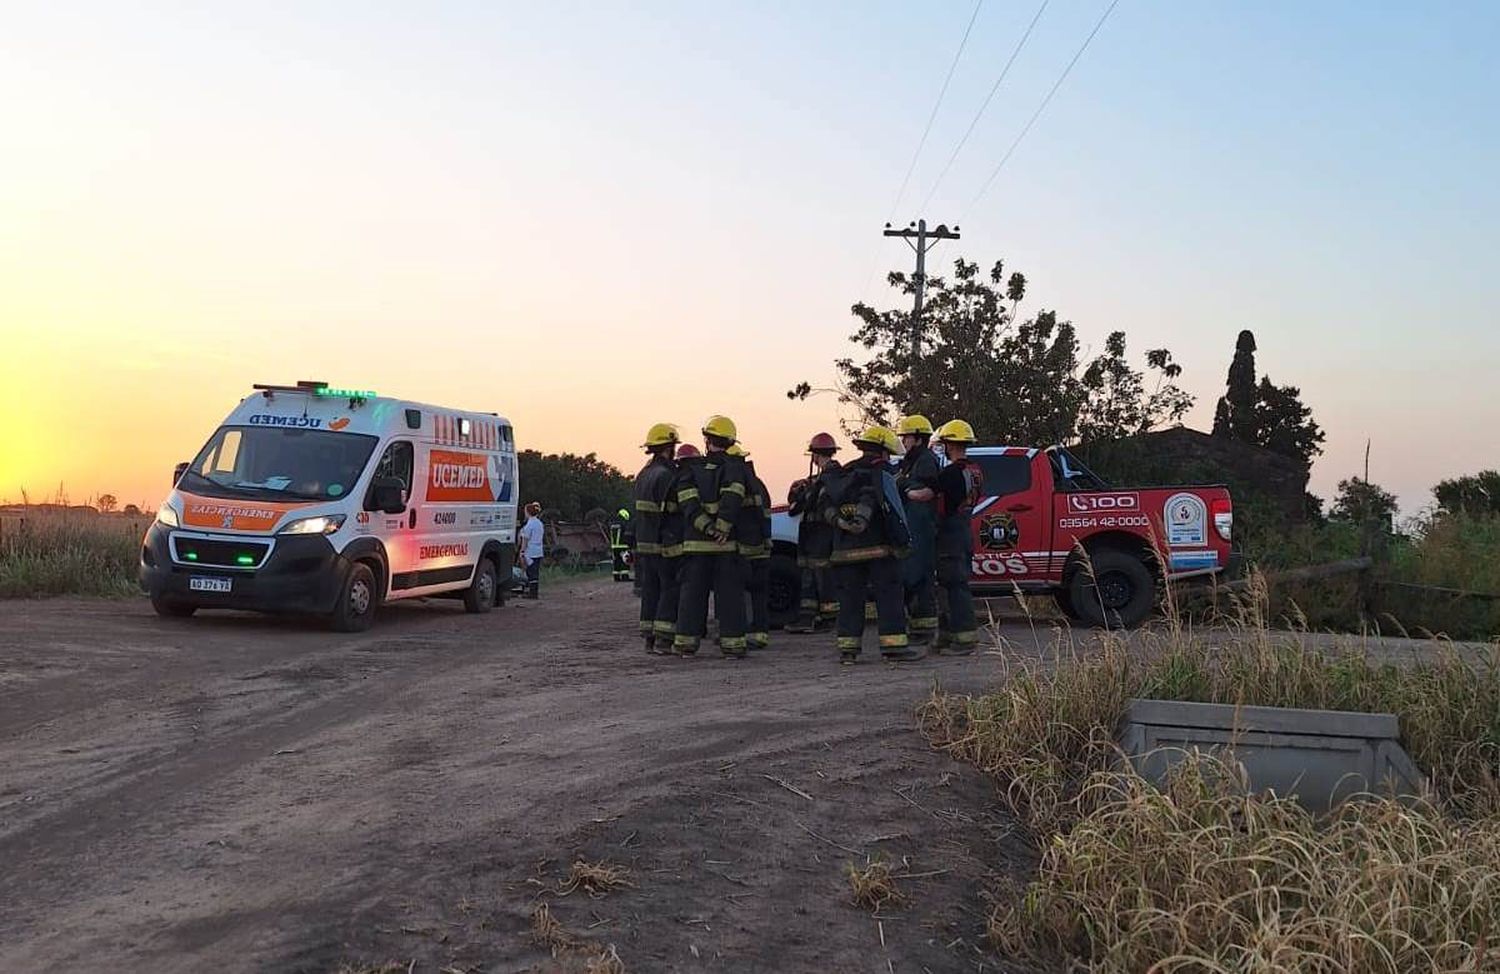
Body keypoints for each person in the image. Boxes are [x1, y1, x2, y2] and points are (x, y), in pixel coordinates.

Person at [817, 426, 922, 665]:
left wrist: (841, 523)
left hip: (844, 552)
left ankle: (848, 651)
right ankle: (894, 648)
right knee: (889, 595)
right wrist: (903, 541)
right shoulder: (881, 472)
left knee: (850, 600)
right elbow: (892, 508)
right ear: (884, 451)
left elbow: (823, 503)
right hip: (879, 550)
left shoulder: (844, 473)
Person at [672, 415, 750, 658]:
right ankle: (733, 647)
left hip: (696, 546)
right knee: (729, 598)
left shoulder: (691, 469)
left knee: (692, 597)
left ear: (707, 440)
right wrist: (722, 528)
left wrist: (706, 527)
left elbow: (687, 502)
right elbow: (734, 497)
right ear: (729, 441)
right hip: (725, 545)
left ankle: (686, 645)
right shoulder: (735, 468)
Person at [932, 420, 982, 653]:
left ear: (949, 445)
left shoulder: (951, 473)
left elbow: (933, 498)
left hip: (950, 534)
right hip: (964, 531)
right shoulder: (975, 470)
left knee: (954, 587)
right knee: (954, 585)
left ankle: (963, 641)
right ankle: (949, 637)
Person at [633, 423, 682, 654]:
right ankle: (664, 638)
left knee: (650, 590)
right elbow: (672, 511)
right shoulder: (666, 475)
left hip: (645, 544)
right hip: (663, 543)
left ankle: (649, 639)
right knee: (669, 589)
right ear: (669, 447)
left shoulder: (644, 474)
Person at [785, 432, 840, 632]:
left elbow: (811, 503)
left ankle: (829, 618)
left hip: (823, 534)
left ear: (815, 455)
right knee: (809, 576)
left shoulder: (831, 478)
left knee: (824, 577)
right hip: (812, 534)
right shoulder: (817, 479)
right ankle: (807, 617)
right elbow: (797, 504)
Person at [894, 415, 941, 644]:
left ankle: (924, 631)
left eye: (907, 437)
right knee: (912, 578)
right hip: (913, 527)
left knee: (920, 578)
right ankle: (918, 629)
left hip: (922, 528)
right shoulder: (911, 461)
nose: (904, 441)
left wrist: (906, 490)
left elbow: (928, 492)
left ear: (919, 438)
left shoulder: (925, 461)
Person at [729, 444, 772, 649]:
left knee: (740, 591)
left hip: (743, 548)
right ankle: (761, 634)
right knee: (759, 592)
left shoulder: (737, 483)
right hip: (761, 547)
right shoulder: (758, 483)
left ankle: (745, 633)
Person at [517, 501, 545, 599]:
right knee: (535, 572)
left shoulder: (529, 525)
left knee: (530, 572)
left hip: (531, 551)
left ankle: (532, 593)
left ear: (528, 512)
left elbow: (525, 539)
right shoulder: (539, 523)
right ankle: (534, 592)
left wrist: (522, 551)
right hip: (539, 550)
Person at [609, 507, 632, 582]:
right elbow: (628, 534)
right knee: (624, 561)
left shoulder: (612, 524)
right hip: (623, 546)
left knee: (616, 561)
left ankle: (616, 577)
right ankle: (625, 577)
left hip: (614, 546)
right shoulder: (623, 524)